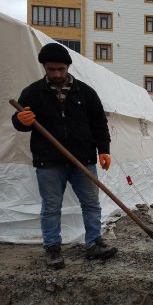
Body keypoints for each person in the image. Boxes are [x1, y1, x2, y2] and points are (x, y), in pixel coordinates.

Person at [11, 43, 117, 270]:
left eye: (61, 69)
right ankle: (52, 249)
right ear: (44, 68)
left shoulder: (86, 93)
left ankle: (94, 243)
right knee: (51, 206)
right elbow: (19, 121)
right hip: (49, 162)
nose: (57, 74)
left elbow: (99, 123)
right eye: (51, 69)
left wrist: (104, 150)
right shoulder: (33, 93)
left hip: (83, 159)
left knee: (91, 204)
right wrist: (20, 120)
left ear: (68, 66)